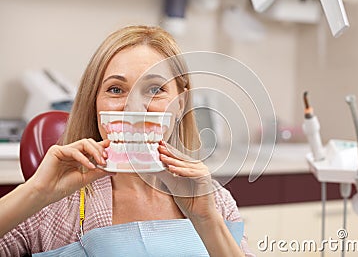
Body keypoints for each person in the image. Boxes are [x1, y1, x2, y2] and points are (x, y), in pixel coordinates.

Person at [0, 25, 254, 256]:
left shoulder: (214, 199)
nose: (134, 106)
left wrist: (207, 219)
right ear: (94, 103)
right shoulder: (55, 205)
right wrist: (36, 192)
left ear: (181, 104)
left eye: (155, 89)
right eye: (115, 90)